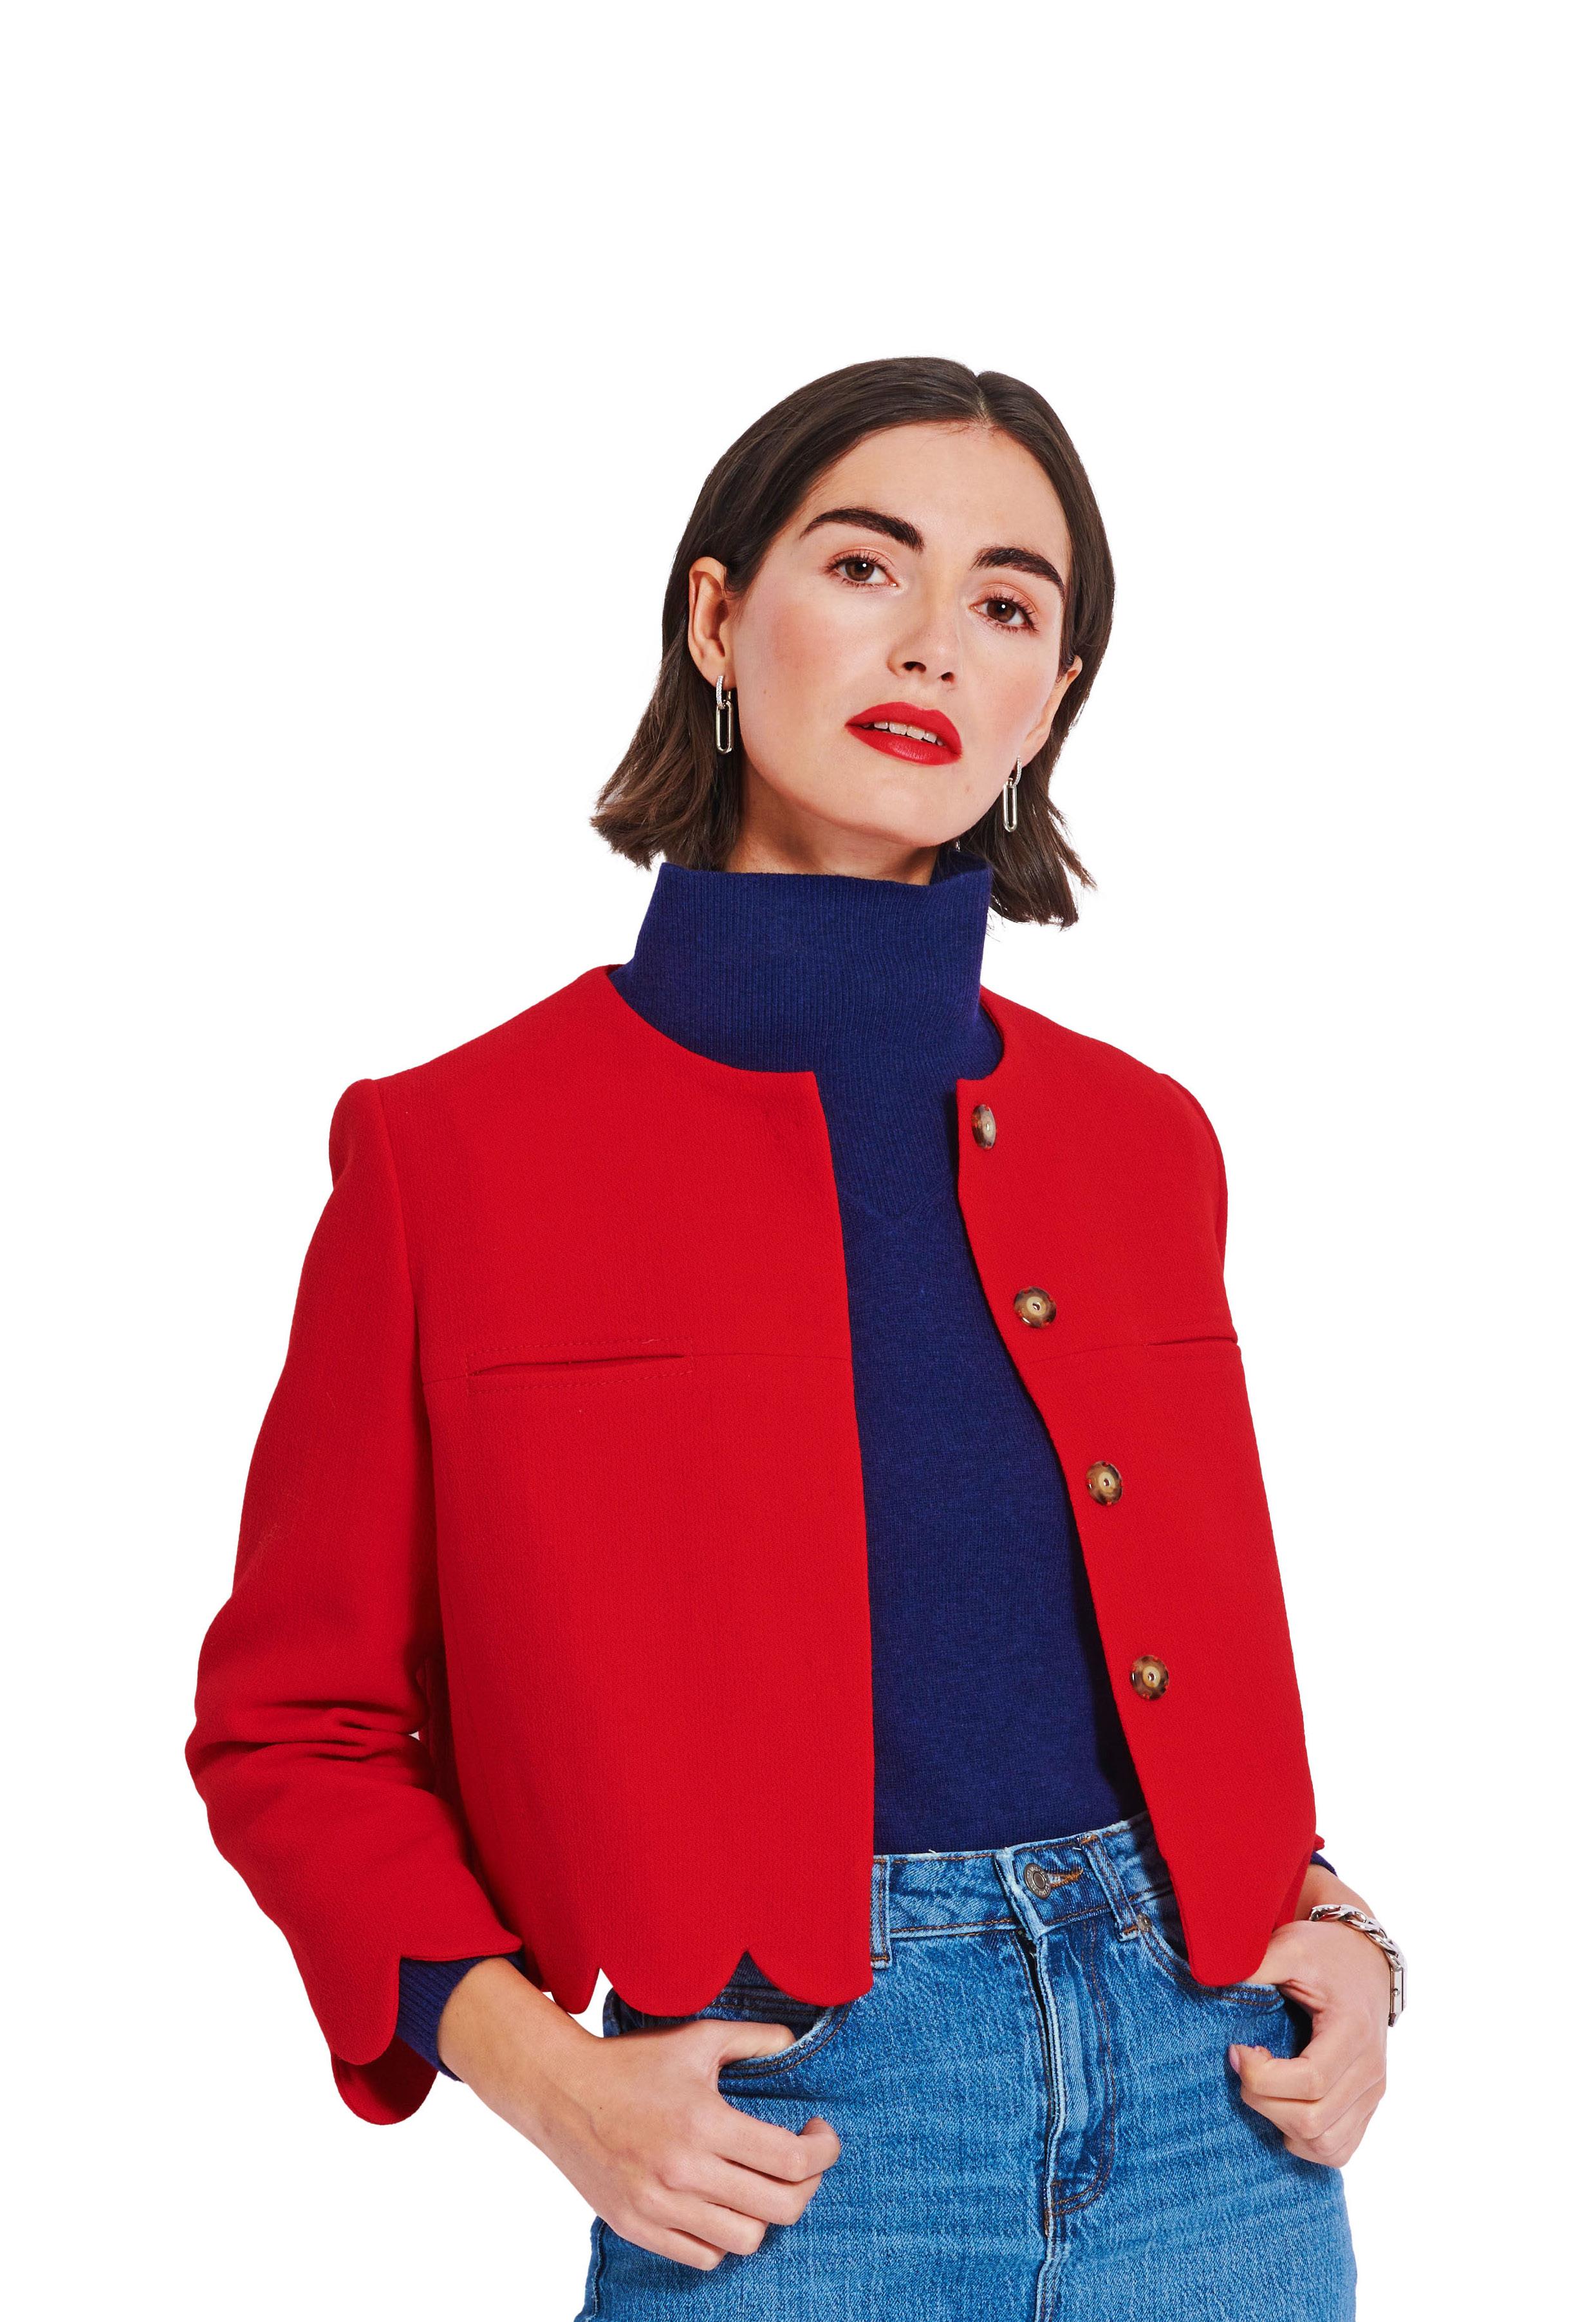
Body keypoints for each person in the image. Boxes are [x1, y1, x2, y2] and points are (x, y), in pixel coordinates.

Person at [186, 357, 1402, 2319]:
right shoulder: (454, 1152)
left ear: (1051, 699)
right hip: (782, 2142)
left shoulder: (1145, 1144)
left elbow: (1144, 1645)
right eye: (865, 565)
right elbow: (293, 1727)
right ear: (716, 615)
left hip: (1220, 2127)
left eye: (1007, 603)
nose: (933, 642)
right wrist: (552, 2082)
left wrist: (1338, 1924)